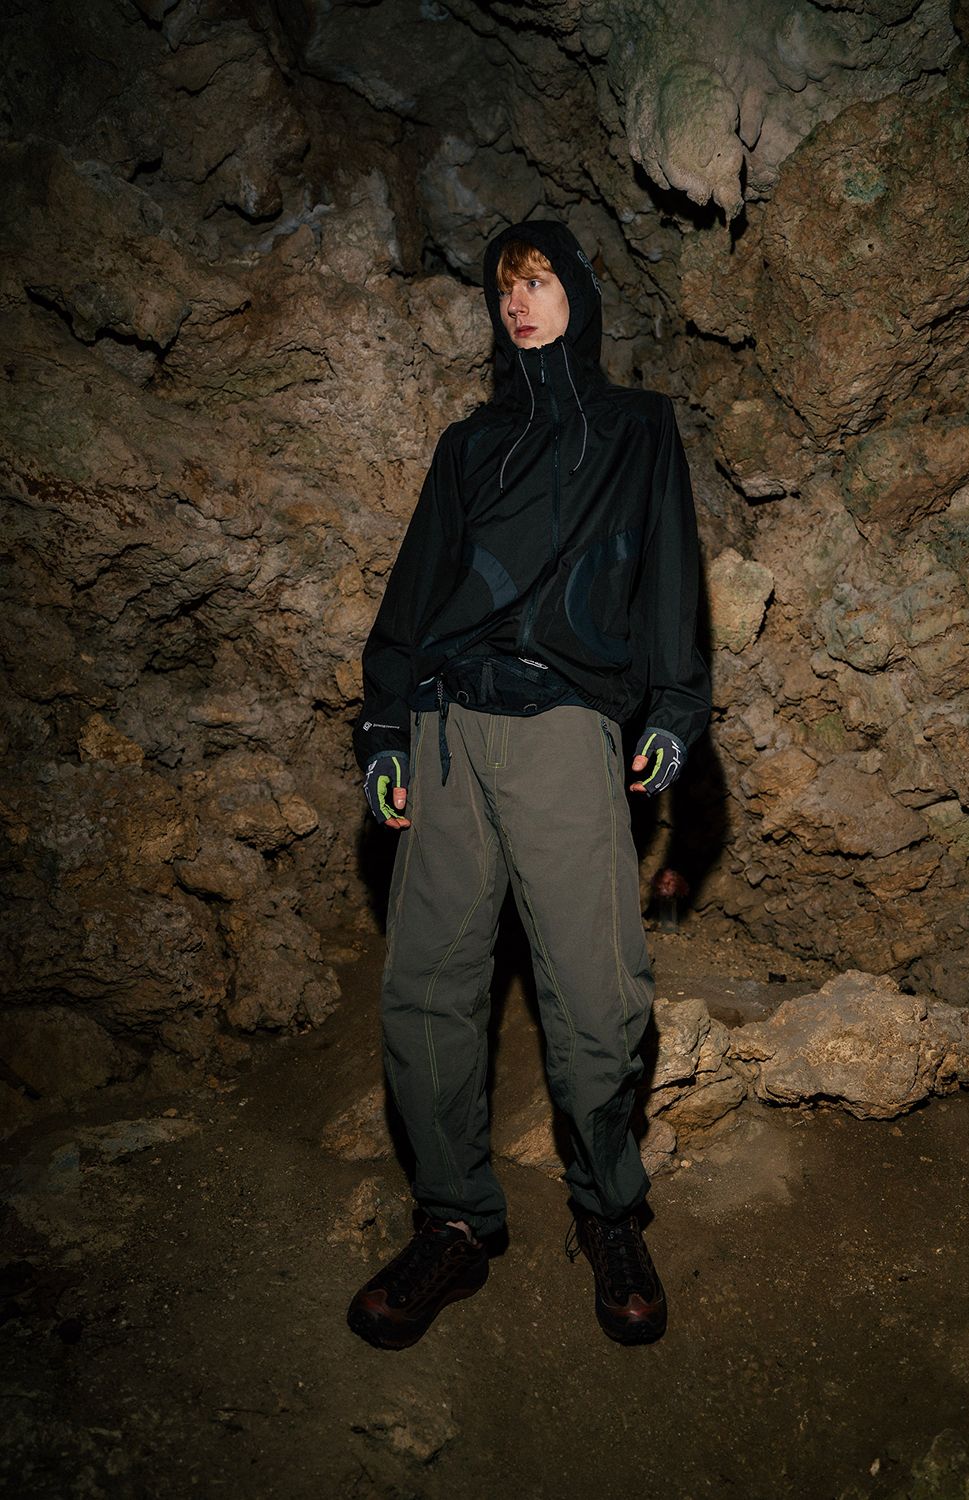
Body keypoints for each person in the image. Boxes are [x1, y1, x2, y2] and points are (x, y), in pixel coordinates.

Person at [346, 220, 711, 1350]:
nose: (519, 301)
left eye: (540, 280)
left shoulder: (638, 428)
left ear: (579, 296)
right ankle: (453, 1219)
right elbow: (415, 589)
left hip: (564, 726)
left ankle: (608, 1208)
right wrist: (386, 727)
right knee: (426, 988)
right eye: (505, 287)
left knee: (597, 995)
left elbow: (670, 570)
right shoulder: (468, 445)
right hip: (450, 727)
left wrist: (674, 706)